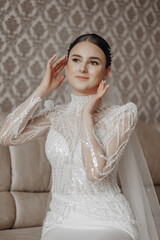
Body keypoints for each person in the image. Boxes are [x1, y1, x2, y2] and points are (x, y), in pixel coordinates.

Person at [0, 34, 159, 240]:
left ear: (106, 72)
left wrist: (87, 117)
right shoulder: (54, 115)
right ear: (66, 66)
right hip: (61, 219)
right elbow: (7, 136)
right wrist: (42, 90)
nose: (83, 68)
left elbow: (95, 173)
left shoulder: (121, 116)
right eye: (76, 60)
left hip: (109, 219)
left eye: (93, 62)